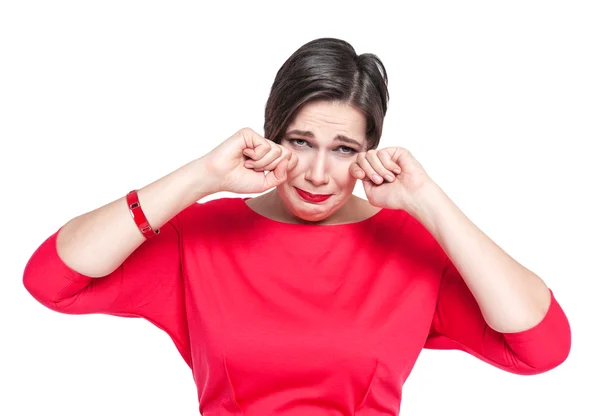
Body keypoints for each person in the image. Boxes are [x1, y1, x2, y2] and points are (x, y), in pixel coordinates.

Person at [22, 38, 571, 415]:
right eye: (300, 141)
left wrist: (429, 202)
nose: (315, 173)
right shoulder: (203, 236)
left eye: (343, 149)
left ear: (369, 153)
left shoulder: (409, 248)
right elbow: (51, 279)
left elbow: (541, 347)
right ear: (270, 134)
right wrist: (200, 176)